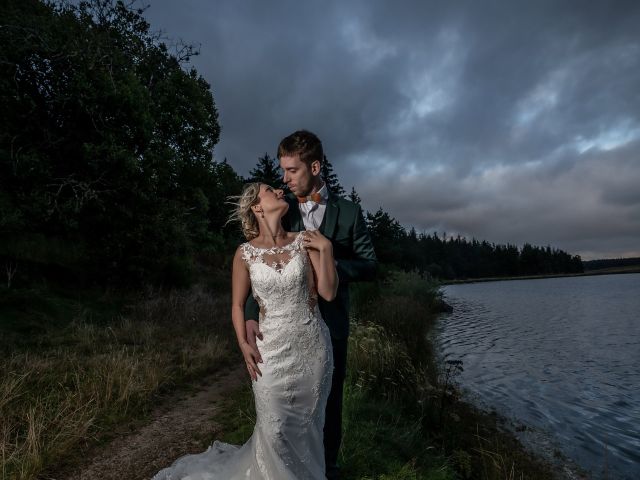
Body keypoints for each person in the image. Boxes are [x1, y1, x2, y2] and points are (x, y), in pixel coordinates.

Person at [152, 181, 338, 479]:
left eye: (278, 189)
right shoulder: (244, 253)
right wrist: (242, 343)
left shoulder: (306, 240)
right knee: (274, 430)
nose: (280, 191)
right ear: (256, 207)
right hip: (270, 352)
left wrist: (326, 250)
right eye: (270, 191)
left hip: (312, 348)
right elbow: (238, 305)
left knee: (309, 427)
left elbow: (328, 293)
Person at [244, 130, 378, 479]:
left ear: (315, 166)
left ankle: (327, 469)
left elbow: (370, 264)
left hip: (330, 323)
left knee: (329, 404)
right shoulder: (281, 209)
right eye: (283, 170)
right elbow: (255, 263)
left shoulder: (349, 213)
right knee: (284, 406)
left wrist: (329, 266)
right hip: (283, 329)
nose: (284, 179)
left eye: (292, 171)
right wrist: (247, 316)